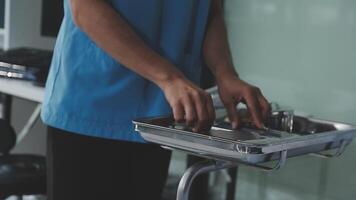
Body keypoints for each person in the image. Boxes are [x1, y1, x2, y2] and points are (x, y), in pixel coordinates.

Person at [41, 0, 270, 199]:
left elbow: (211, 12)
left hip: (155, 121)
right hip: (92, 110)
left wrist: (225, 73)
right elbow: (84, 7)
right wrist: (169, 78)